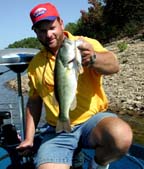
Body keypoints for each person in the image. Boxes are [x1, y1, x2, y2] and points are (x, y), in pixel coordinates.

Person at [17, 2, 133, 169]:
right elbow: (34, 102)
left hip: (91, 121)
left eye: (52, 27)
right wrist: (28, 138)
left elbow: (114, 65)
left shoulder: (84, 43)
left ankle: (98, 164)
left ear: (61, 23)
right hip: (57, 129)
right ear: (35, 32)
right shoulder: (35, 64)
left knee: (121, 136)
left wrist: (93, 58)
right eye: (42, 31)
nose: (48, 34)